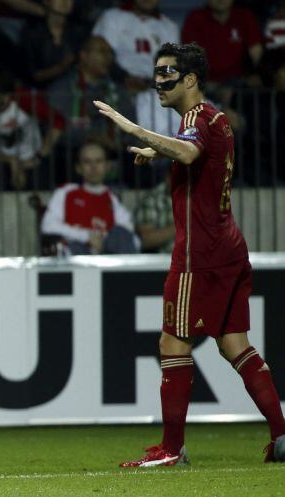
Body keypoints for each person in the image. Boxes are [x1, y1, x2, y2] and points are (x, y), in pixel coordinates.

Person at [94, 42, 285, 466]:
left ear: (191, 80)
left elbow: (188, 151)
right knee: (236, 344)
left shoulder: (197, 118)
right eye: (156, 71)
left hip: (200, 255)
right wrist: (155, 151)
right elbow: (200, 157)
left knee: (172, 341)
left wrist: (134, 130)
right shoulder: (215, 118)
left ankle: (171, 450)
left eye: (168, 73)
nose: (159, 81)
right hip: (229, 246)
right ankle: (282, 434)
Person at [92, 0, 180, 138]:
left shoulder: (169, 27)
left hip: (154, 89)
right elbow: (100, 56)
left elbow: (172, 66)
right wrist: (124, 79)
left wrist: (150, 83)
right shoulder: (112, 17)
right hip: (116, 86)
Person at [40, 141, 137, 254]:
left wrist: (102, 241)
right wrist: (86, 237)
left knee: (121, 234)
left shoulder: (111, 198)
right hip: (76, 257)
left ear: (107, 166)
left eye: (98, 161)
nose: (93, 167)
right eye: (87, 162)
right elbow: (48, 226)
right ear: (78, 168)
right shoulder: (65, 193)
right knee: (76, 247)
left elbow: (128, 230)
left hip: (106, 258)